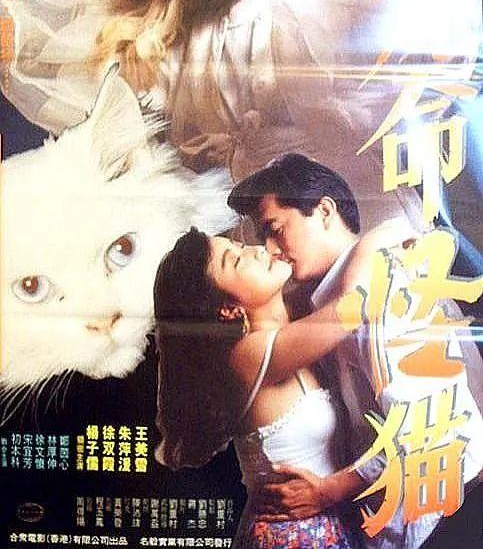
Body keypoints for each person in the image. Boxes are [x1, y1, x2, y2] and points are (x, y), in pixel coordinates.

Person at [2, 0, 480, 233]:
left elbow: (380, 41)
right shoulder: (196, 25)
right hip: (243, 231)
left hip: (339, 214)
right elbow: (114, 75)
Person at [227, 153, 483, 548]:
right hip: (395, 515)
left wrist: (330, 490)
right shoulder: (330, 300)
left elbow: (421, 429)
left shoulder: (385, 286)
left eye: (276, 229)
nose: (271, 249)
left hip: (432, 518)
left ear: (324, 211)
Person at [153, 206, 416, 548]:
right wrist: (386, 232)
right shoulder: (248, 355)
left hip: (323, 524)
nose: (256, 249)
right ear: (229, 309)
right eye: (236, 260)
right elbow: (354, 307)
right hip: (291, 536)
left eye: (240, 245)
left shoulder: (291, 322)